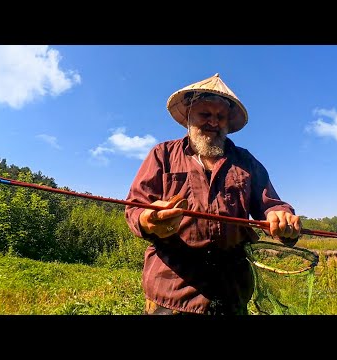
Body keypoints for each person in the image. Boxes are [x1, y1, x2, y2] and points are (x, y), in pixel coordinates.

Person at [124, 73, 301, 315]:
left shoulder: (246, 162)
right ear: (189, 117)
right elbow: (135, 208)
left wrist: (282, 217)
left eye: (220, 117)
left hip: (231, 291)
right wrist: (148, 220)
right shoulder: (162, 154)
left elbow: (271, 205)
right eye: (205, 115)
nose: (213, 122)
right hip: (172, 292)